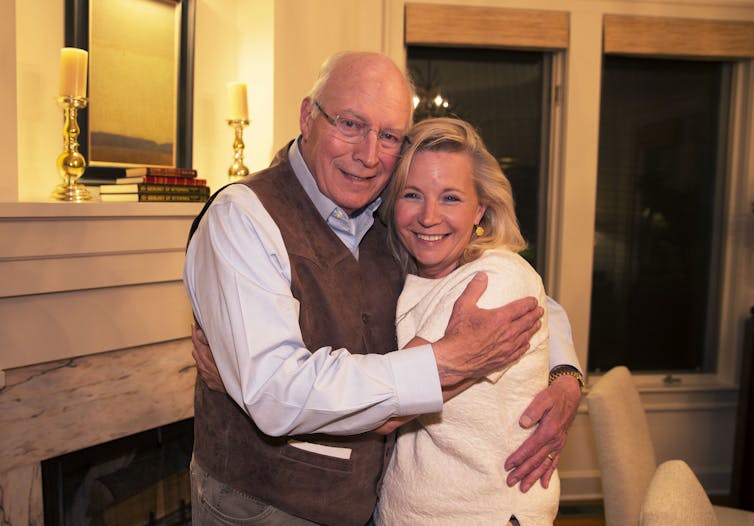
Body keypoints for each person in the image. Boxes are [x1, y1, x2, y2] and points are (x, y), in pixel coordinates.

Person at [184, 50, 583, 526]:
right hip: (264, 506)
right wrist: (446, 360)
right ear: (307, 117)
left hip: (375, 504)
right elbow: (275, 390)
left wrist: (564, 376)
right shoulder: (243, 218)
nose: (368, 155)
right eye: (350, 125)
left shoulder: (389, 215)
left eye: (389, 136)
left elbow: (527, 299)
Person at [372, 117, 558, 525]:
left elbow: (386, 408)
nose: (428, 216)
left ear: (481, 210)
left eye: (451, 198)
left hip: (481, 513)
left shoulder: (494, 278)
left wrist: (254, 380)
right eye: (412, 194)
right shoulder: (413, 276)